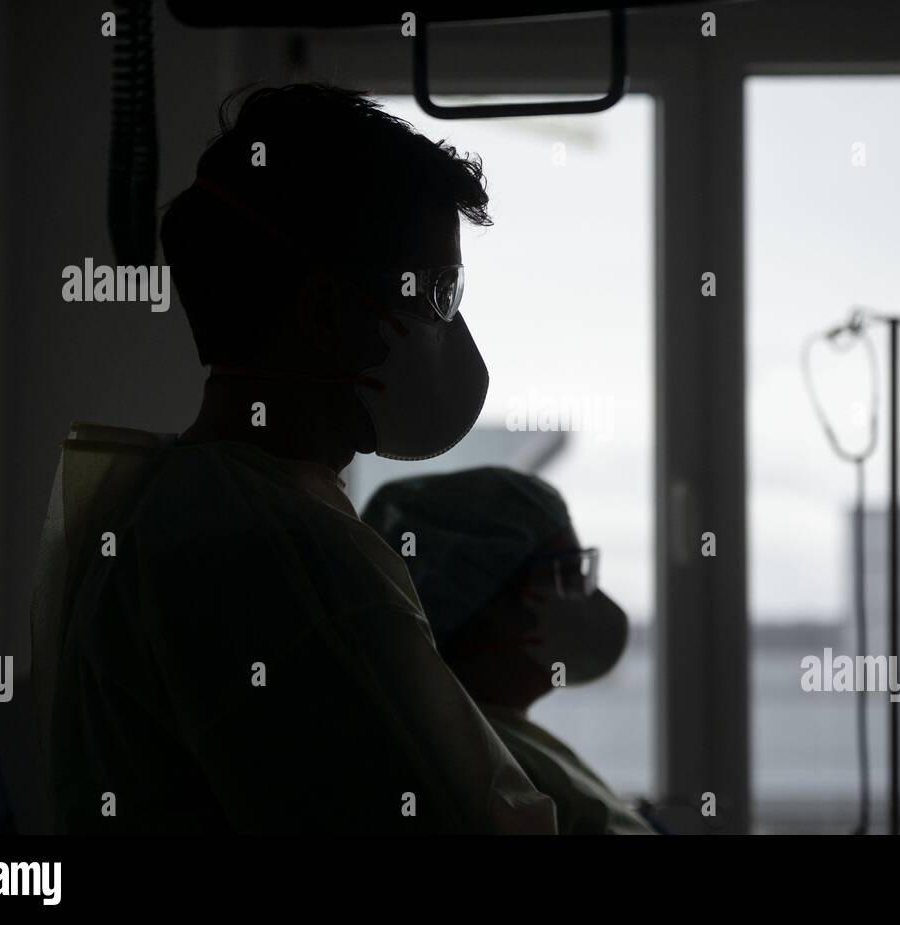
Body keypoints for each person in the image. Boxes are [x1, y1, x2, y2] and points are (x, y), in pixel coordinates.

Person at [28, 85, 557, 833]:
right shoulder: (278, 553)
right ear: (320, 314)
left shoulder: (194, 501)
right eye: (435, 290)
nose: (454, 323)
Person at [362, 467, 657, 835]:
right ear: (483, 601)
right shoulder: (481, 768)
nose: (587, 591)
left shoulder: (500, 738)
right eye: (564, 572)